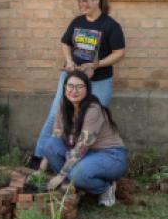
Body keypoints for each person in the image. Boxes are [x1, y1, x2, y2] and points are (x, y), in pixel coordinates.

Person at [33, 0, 126, 164]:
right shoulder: (77, 22)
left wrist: (95, 65)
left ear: (97, 0)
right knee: (55, 115)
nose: (82, 5)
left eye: (85, 1)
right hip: (72, 79)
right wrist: (68, 60)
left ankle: (81, 161)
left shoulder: (110, 25)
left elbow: (119, 53)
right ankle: (39, 157)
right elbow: (65, 42)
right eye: (79, 2)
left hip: (99, 81)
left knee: (93, 118)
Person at [42, 70, 126, 207]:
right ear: (64, 88)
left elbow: (82, 147)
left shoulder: (93, 109)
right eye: (70, 86)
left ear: (87, 89)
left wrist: (61, 175)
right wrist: (41, 170)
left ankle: (105, 188)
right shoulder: (63, 107)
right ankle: (73, 184)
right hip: (85, 155)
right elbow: (55, 137)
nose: (74, 90)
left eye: (79, 86)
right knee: (50, 145)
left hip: (109, 155)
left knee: (78, 174)